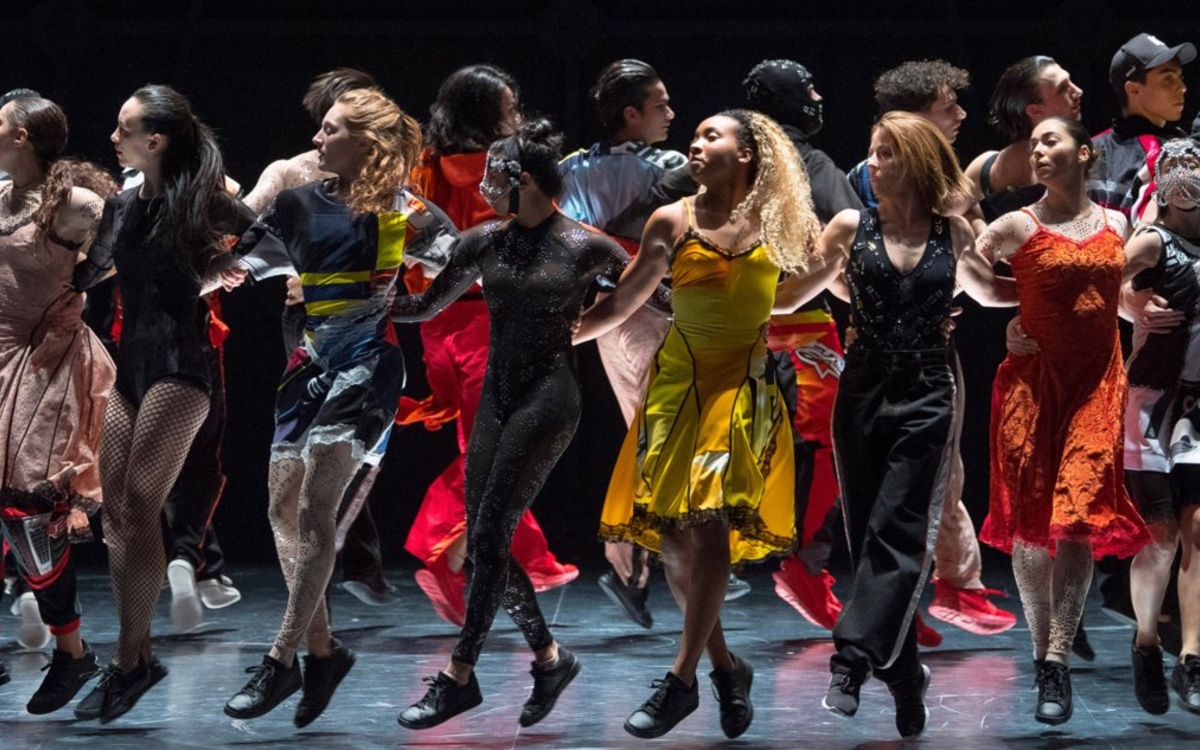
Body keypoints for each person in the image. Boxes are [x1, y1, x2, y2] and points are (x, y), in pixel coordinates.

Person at [581, 109, 819, 739]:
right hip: (675, 388)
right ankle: (725, 669)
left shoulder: (781, 221)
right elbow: (626, 298)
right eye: (695, 135)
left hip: (740, 390)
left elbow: (802, 292)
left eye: (713, 135)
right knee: (676, 539)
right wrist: (557, 338)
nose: (695, 142)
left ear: (747, 154)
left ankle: (680, 679)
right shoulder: (671, 219)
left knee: (708, 524)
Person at [395, 118, 635, 730]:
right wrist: (356, 299)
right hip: (497, 400)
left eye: (491, 177)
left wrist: (597, 323)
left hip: (549, 401)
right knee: (486, 543)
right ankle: (551, 660)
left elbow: (651, 294)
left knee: (487, 537)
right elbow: (423, 306)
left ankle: (459, 676)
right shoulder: (483, 241)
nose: (481, 188)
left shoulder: (586, 246)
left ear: (522, 180)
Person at [779, 111, 1011, 739]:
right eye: (872, 151)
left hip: (929, 386)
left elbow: (990, 292)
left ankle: (851, 661)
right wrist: (712, 287)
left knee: (900, 527)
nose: (872, 164)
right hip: (862, 388)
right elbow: (791, 296)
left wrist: (1067, 289)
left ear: (917, 161)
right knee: (870, 538)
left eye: (886, 153)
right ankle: (907, 677)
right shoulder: (849, 226)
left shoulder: (953, 231)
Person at [223, 87, 428, 728]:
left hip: (368, 365)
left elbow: (464, 262)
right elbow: (234, 262)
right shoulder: (296, 202)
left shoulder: (405, 210)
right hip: (308, 365)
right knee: (280, 508)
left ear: (367, 142)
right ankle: (324, 651)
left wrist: (413, 305)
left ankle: (280, 658)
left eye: (330, 130)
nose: (316, 139)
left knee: (316, 508)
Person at [71, 84, 261, 723]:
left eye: (124, 129)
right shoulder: (121, 206)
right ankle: (137, 659)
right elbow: (89, 273)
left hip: (183, 368)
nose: (113, 137)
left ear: (154, 142)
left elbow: (271, 239)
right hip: (128, 368)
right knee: (118, 515)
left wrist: (220, 268)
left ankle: (129, 661)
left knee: (139, 503)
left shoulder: (202, 201)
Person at [975, 116, 1151, 725]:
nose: (1038, 151)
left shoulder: (1118, 224)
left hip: (1097, 386)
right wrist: (1009, 308)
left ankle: (1057, 660)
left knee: (1076, 518)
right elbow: (966, 268)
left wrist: (1140, 309)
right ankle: (1041, 656)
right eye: (1033, 144)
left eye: (1051, 141)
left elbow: (1113, 293)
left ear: (1083, 153)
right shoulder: (1015, 224)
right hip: (1032, 385)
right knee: (1030, 526)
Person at [405, 63, 577, 628]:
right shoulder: (503, 170)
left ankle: (504, 557)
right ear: (487, 115)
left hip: (437, 321)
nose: (516, 115)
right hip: (491, 321)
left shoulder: (423, 166)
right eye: (509, 107)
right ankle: (445, 550)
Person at [242, 66, 400, 607]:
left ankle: (346, 570)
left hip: (361, 326)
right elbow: (247, 230)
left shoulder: (389, 181)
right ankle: (331, 584)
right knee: (320, 451)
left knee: (347, 447)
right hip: (314, 326)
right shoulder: (293, 174)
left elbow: (420, 243)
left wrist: (403, 299)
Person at [558, 58, 691, 627]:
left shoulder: (569, 169)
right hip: (661, 309)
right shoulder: (673, 167)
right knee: (666, 433)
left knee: (650, 430)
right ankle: (647, 554)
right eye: (660, 104)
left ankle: (637, 560)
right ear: (631, 114)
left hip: (609, 316)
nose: (671, 113)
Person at [0, 94, 116, 714]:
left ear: (21, 135)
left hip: (43, 360)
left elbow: (129, 237)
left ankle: (72, 654)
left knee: (27, 511)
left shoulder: (72, 203)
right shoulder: (1, 194)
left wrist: (83, 282)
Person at [743, 58, 860, 633]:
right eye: (809, 89)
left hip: (723, 323)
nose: (817, 97)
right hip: (800, 325)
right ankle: (805, 565)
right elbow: (853, 224)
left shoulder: (721, 156)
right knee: (827, 442)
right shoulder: (807, 161)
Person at [1098, 139, 1200, 715]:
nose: (1187, 175)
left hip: (1199, 409)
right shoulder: (1153, 239)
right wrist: (1130, 304)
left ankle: (1192, 658)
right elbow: (1101, 280)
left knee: (1198, 530)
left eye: (1195, 164)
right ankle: (1145, 644)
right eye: (1175, 165)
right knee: (1160, 538)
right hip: (1152, 403)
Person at [1089, 32, 1195, 223]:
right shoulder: (1162, 154)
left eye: (1180, 77)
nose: (1182, 87)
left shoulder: (1090, 146)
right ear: (1134, 89)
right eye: (1168, 79)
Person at [965, 56, 1083, 223]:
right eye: (1062, 88)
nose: (1078, 91)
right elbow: (942, 213)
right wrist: (978, 228)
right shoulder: (1075, 156)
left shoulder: (986, 164)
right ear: (1034, 111)